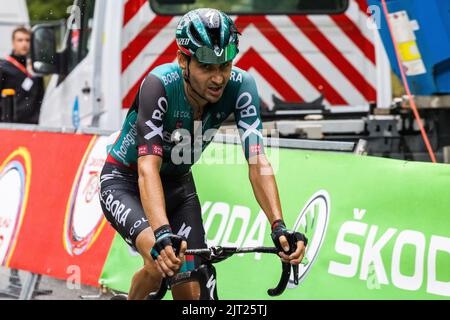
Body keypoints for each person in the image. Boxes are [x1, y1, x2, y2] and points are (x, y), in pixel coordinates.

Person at [99, 8, 307, 300]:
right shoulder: (159, 84)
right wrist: (161, 232)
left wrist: (278, 225)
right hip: (126, 181)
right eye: (207, 67)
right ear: (183, 60)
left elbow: (257, 159)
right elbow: (148, 167)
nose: (219, 78)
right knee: (160, 263)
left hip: (178, 184)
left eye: (225, 65)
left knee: (194, 291)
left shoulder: (241, 85)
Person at [0, 26, 44, 124]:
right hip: (11, 125)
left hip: (34, 125)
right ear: (13, 43)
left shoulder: (36, 69)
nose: (24, 44)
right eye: (20, 40)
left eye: (27, 40)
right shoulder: (4, 68)